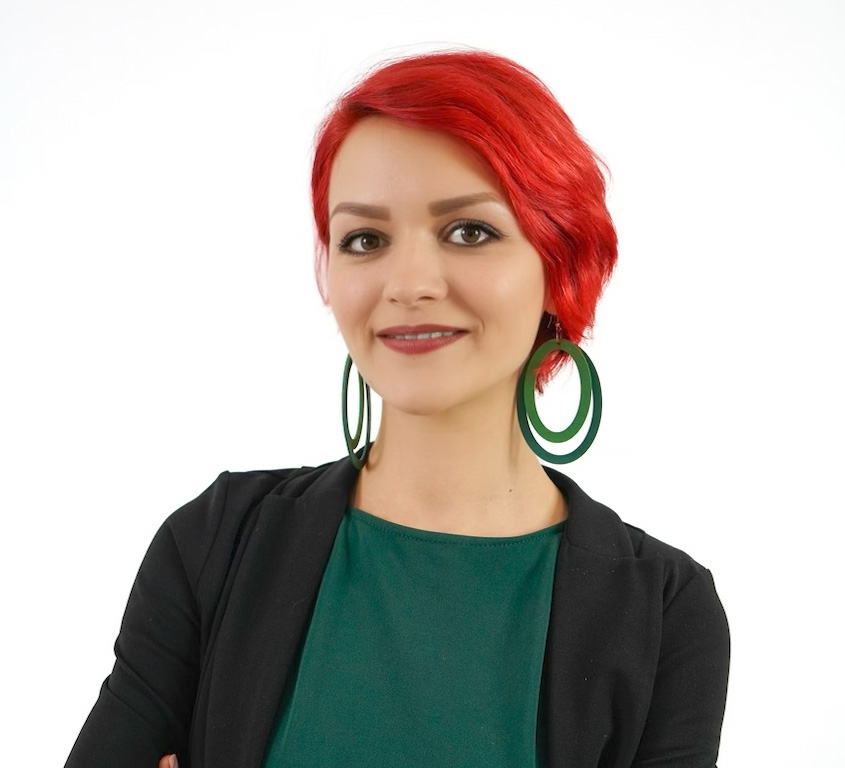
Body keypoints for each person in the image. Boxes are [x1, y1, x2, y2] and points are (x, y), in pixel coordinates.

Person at [64, 48, 730, 768]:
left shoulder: (668, 612)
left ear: (559, 261)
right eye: (364, 239)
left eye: (469, 231)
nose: (407, 283)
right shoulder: (215, 542)